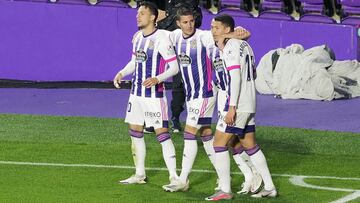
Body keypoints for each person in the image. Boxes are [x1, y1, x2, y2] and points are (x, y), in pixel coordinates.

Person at [205, 14, 277, 200]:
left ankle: (225, 190)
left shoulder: (231, 46)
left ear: (228, 30)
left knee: (219, 144)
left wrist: (232, 107)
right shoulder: (245, 45)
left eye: (217, 28)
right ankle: (269, 187)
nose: (214, 31)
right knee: (249, 145)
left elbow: (235, 77)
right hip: (249, 102)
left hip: (238, 104)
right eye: (212, 28)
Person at [113, 1, 179, 188]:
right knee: (135, 133)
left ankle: (174, 177)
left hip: (154, 97)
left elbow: (174, 67)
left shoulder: (161, 39)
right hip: (136, 95)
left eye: (142, 13)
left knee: (162, 135)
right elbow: (134, 61)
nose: (137, 16)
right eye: (138, 13)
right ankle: (139, 174)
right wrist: (121, 72)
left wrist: (158, 78)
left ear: (153, 17)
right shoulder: (137, 37)